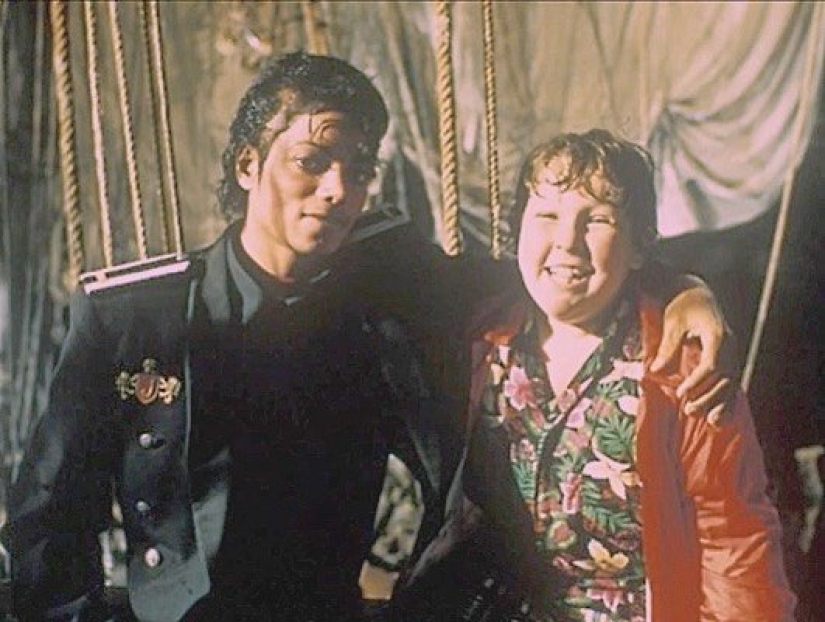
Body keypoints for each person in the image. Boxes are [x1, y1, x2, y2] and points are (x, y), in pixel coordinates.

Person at [3, 52, 732, 622]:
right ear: (249, 164)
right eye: (311, 161)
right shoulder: (135, 315)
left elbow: (547, 275)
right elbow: (46, 514)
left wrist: (679, 289)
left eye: (357, 170)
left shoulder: (389, 282)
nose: (336, 190)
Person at [394, 129, 795, 621]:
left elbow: (734, 543)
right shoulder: (476, 343)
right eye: (547, 215)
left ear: (640, 247)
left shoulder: (684, 369)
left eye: (598, 219)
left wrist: (687, 288)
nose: (567, 241)